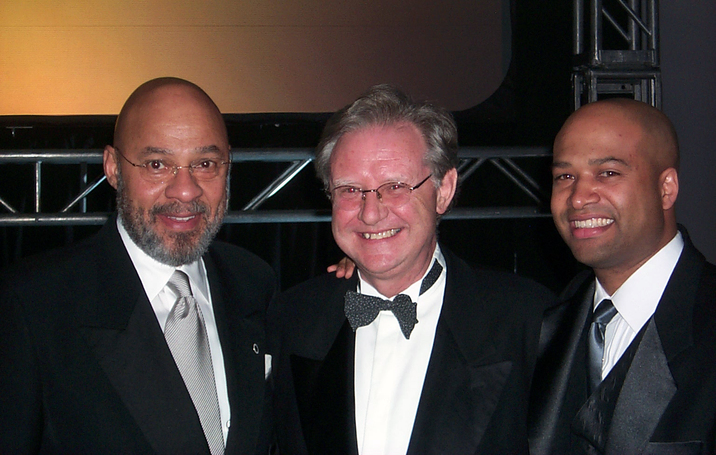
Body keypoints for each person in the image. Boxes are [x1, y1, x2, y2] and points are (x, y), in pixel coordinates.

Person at [271, 84, 554, 454]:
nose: (371, 213)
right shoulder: (291, 319)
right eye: (350, 190)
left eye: (395, 186)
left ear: (444, 190)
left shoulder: (528, 321)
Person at [0, 78, 277, 454]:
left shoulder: (253, 282)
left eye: (205, 164)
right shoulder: (34, 303)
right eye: (157, 164)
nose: (185, 190)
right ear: (113, 168)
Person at [528, 98, 716, 454]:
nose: (578, 198)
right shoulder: (541, 326)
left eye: (608, 173)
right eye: (565, 177)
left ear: (666, 188)